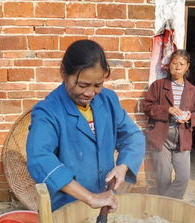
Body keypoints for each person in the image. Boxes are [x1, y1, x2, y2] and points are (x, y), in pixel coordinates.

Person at [26, 40, 145, 211]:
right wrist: (89, 197)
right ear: (63, 73)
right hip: (66, 207)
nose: (90, 93)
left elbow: (133, 136)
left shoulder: (108, 100)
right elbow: (39, 158)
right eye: (82, 85)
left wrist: (122, 166)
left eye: (98, 85)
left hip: (105, 199)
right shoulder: (49, 111)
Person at [142, 50, 195, 199]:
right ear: (169, 65)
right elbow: (147, 107)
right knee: (163, 178)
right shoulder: (158, 86)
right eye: (174, 63)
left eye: (181, 64)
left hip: (182, 137)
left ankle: (164, 205)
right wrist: (167, 109)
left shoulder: (192, 90)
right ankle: (167, 215)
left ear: (187, 67)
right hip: (161, 136)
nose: (177, 67)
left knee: (183, 177)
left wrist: (189, 117)